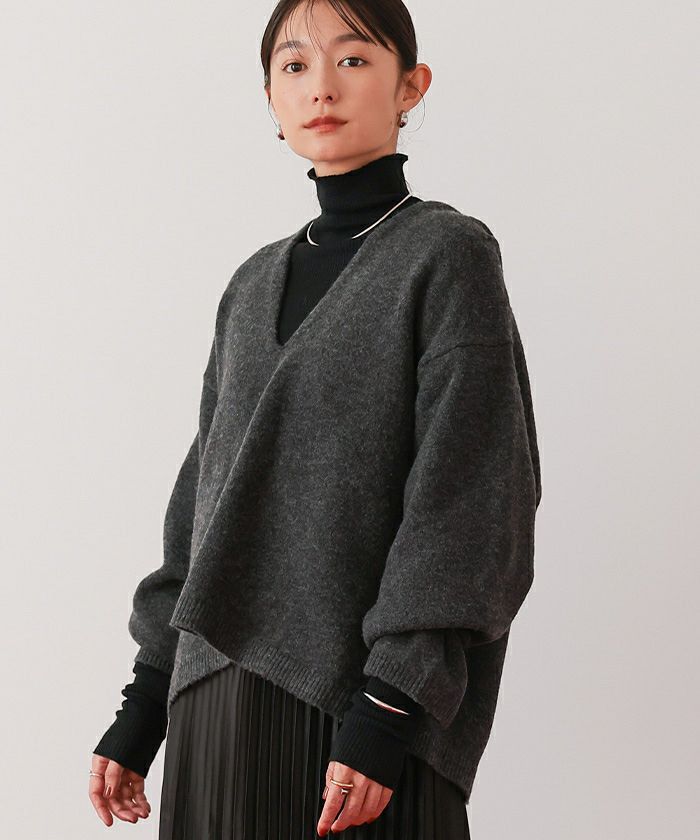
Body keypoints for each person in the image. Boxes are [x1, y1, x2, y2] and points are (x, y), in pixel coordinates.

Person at [89, 1, 542, 837]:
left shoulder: (447, 255)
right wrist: (144, 703)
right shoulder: (251, 283)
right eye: (294, 66)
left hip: (358, 710)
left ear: (411, 85)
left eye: (354, 59)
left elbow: (476, 502)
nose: (322, 86)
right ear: (270, 96)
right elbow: (203, 506)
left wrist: (389, 706)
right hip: (212, 699)